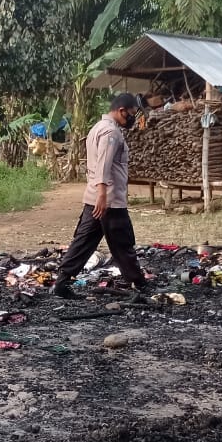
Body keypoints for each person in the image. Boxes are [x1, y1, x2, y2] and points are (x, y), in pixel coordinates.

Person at [51, 92, 151, 299]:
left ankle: (61, 283)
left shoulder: (98, 127)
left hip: (95, 198)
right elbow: (104, 165)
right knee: (123, 243)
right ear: (121, 111)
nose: (132, 119)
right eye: (131, 115)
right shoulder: (110, 133)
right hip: (109, 200)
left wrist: (99, 195)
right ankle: (140, 284)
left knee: (83, 241)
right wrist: (103, 195)